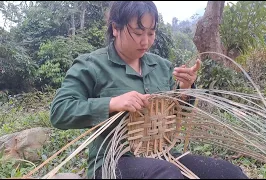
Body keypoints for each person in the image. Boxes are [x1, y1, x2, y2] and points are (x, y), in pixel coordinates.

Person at [50, 1, 248, 179]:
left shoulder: (161, 66)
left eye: (151, 33)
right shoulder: (91, 65)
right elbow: (59, 112)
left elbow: (179, 111)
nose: (145, 42)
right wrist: (112, 103)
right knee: (166, 174)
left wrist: (185, 89)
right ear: (116, 28)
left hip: (161, 154)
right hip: (114, 161)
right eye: (137, 33)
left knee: (229, 173)